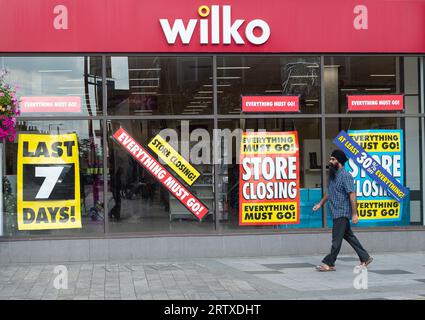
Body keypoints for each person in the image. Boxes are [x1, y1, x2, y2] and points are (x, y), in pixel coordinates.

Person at [313, 149, 373, 272]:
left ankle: (329, 263)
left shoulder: (346, 176)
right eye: (330, 159)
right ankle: (365, 257)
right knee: (349, 236)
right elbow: (329, 192)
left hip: (342, 212)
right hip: (335, 212)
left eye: (333, 159)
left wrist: (354, 214)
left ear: (339, 161)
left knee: (336, 240)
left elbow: (352, 195)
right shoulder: (333, 175)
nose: (330, 161)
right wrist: (320, 204)